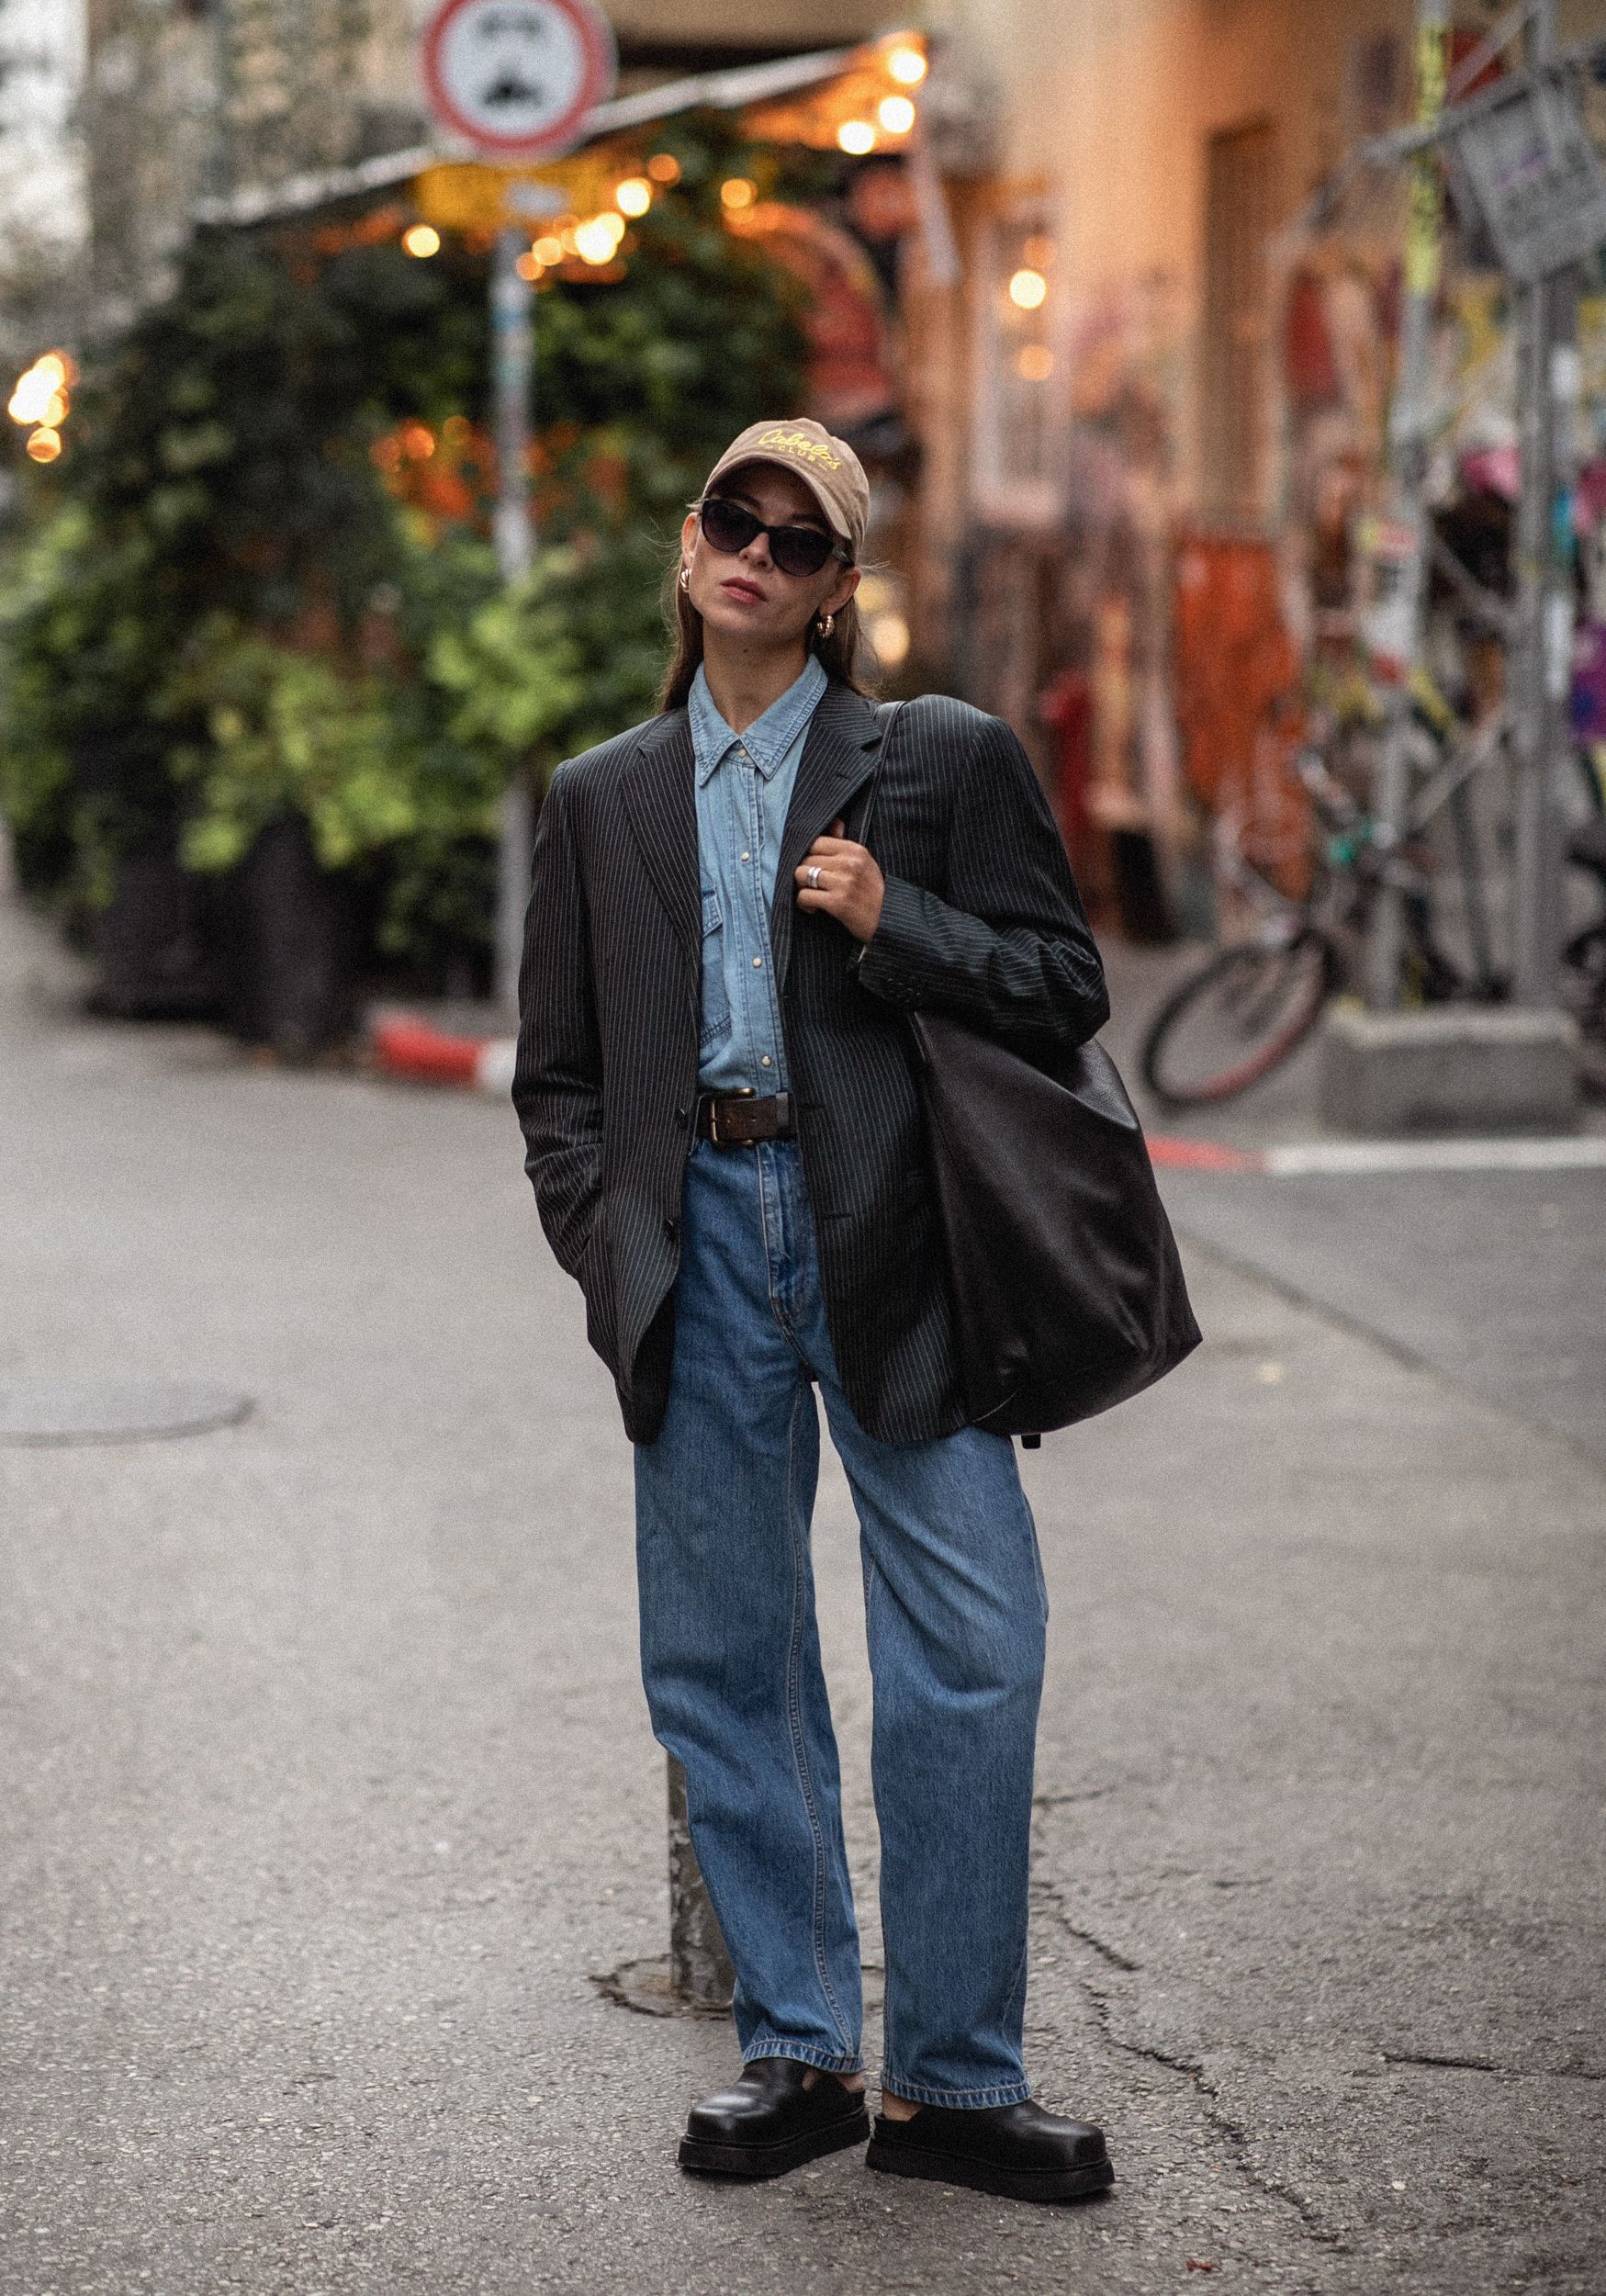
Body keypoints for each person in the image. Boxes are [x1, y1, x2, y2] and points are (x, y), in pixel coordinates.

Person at [513, 417, 1114, 2206]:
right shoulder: (600, 793)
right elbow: (556, 1070)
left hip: (887, 1235)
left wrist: (893, 915)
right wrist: (606, 1235)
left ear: (840, 588)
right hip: (692, 1234)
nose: (754, 556)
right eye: (730, 520)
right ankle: (796, 2050)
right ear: (688, 541)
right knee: (727, 1655)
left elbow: (1059, 984)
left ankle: (950, 2079)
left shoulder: (933, 763)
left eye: (796, 540)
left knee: (971, 1640)